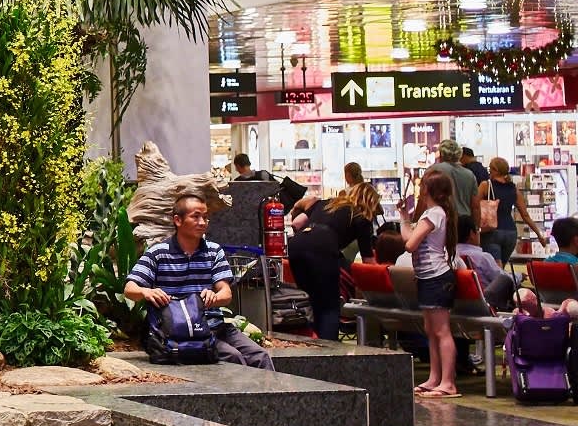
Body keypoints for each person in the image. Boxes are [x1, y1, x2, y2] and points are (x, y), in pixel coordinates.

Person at [124, 192, 274, 369]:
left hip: (215, 325)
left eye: (205, 217)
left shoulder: (213, 251)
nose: (202, 222)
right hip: (179, 333)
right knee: (233, 357)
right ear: (178, 220)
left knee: (261, 356)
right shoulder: (158, 252)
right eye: (195, 217)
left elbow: (226, 294)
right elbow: (129, 289)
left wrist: (214, 298)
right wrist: (146, 291)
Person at [287, 167, 380, 339]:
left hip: (297, 245)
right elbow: (368, 260)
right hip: (324, 247)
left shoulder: (327, 203)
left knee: (311, 301)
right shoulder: (362, 216)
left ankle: (311, 347)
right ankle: (328, 354)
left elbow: (297, 223)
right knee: (329, 306)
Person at [402, 170, 461, 398]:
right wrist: (404, 218)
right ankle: (435, 378)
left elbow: (410, 244)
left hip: (436, 277)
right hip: (429, 277)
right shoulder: (434, 213)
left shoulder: (434, 214)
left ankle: (447, 382)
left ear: (427, 189)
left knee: (441, 330)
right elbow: (409, 237)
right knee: (431, 330)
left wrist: (410, 225)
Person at [478, 156, 543, 267]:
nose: (489, 172)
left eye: (490, 169)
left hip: (491, 231)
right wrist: (539, 235)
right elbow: (525, 215)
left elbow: (474, 206)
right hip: (511, 233)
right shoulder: (514, 189)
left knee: (495, 269)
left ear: (495, 170)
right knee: (501, 267)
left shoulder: (486, 186)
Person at [453, 216, 516, 310]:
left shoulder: (452, 256)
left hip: (458, 305)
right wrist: (518, 277)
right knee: (507, 280)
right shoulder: (482, 257)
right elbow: (500, 277)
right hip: (485, 304)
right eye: (478, 230)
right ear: (471, 234)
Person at [431, 140, 478, 231]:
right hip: (464, 223)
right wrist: (476, 228)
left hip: (442, 221)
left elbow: (423, 199)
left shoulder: (434, 171)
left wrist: (416, 222)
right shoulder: (469, 174)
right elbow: (475, 206)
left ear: (441, 154)